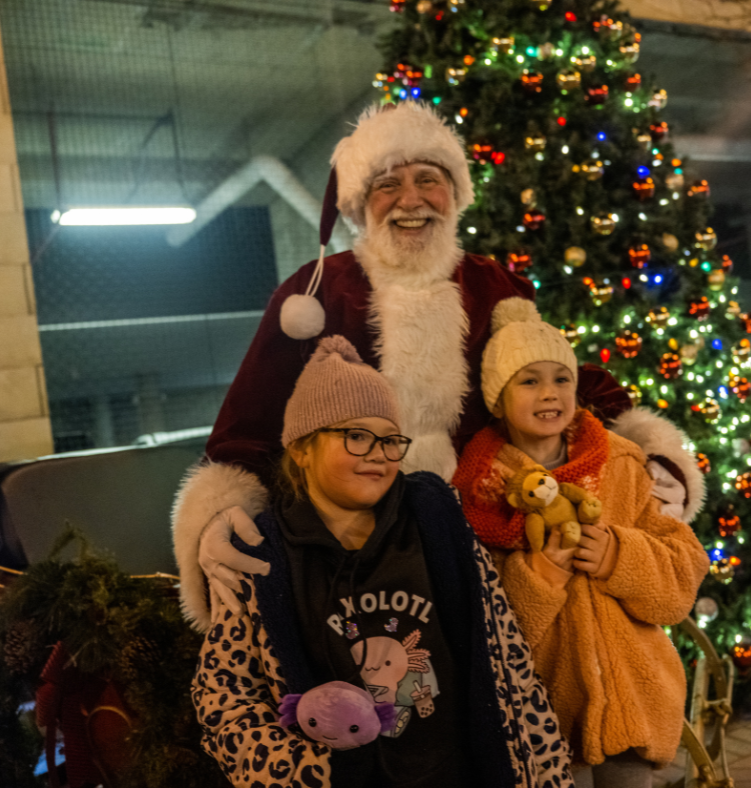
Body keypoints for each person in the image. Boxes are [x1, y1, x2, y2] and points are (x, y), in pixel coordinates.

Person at [173, 100, 704, 633]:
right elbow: (252, 417)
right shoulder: (314, 294)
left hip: (494, 539)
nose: (411, 200)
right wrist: (221, 511)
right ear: (358, 206)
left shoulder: (493, 286)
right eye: (386, 184)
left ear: (454, 194)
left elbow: (555, 378)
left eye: (429, 178)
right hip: (355, 551)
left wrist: (650, 450)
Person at [192, 335, 574, 788]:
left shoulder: (436, 521)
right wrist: (308, 770)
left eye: (391, 440)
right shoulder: (261, 553)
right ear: (301, 448)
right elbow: (224, 698)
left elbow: (508, 662)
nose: (378, 453)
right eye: (356, 436)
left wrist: (547, 776)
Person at [451, 299, 711, 788]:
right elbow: (484, 624)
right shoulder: (479, 490)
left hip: (633, 701)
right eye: (529, 381)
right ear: (497, 397)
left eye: (561, 378)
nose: (549, 393)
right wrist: (540, 576)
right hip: (543, 716)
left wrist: (619, 555)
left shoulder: (621, 463)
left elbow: (680, 579)